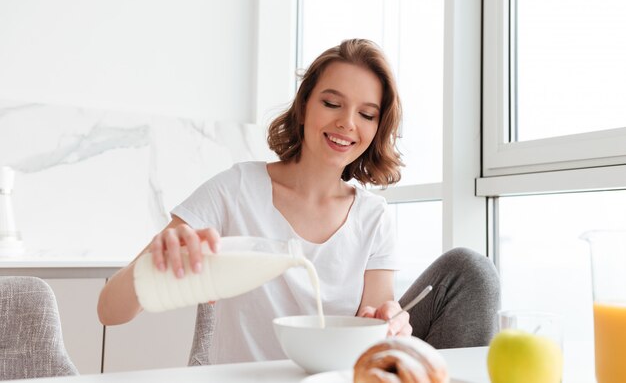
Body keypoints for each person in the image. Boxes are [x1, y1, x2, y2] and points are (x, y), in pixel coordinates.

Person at [97, 39, 500, 366]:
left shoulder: (373, 217)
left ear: (377, 128)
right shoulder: (236, 189)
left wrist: (389, 323)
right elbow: (109, 311)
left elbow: (371, 332)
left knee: (472, 270)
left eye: (367, 113)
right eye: (331, 103)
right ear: (304, 106)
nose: (347, 123)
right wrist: (154, 265)